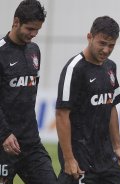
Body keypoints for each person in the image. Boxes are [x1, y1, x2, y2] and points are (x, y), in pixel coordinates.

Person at [56, 16, 120, 184]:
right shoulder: (74, 68)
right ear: (90, 37)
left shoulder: (110, 67)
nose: (107, 50)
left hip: (106, 156)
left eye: (111, 45)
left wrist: (117, 145)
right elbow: (61, 114)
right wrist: (69, 159)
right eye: (102, 43)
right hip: (81, 157)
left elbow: (111, 106)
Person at [0, 0, 57, 183]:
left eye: (37, 30)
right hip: (3, 142)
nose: (33, 35)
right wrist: (4, 134)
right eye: (30, 29)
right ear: (16, 21)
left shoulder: (34, 51)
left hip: (30, 143)